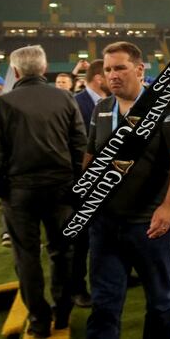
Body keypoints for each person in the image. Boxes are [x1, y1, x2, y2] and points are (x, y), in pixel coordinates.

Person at [85, 41, 170, 338]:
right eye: (107, 69)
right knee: (104, 301)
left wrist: (169, 206)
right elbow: (91, 154)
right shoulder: (102, 109)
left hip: (149, 223)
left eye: (120, 67)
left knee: (159, 300)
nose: (112, 75)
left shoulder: (164, 106)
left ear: (139, 69)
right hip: (106, 223)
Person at [0, 45, 87, 337]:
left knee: (26, 256)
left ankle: (39, 319)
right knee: (63, 252)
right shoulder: (66, 98)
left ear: (16, 72)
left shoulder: (4, 103)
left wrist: (2, 191)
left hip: (20, 192)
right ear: (44, 70)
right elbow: (79, 145)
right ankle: (63, 312)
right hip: (62, 188)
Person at [69, 59, 110, 308]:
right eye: (109, 72)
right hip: (83, 182)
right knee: (81, 241)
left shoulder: (113, 104)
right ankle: (77, 288)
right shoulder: (75, 104)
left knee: (109, 234)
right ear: (98, 78)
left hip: (111, 181)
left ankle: (116, 277)